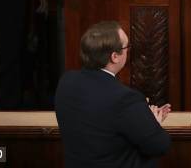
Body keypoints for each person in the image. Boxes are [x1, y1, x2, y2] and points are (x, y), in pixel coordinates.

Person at [55, 21, 171, 168]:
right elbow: (160, 146)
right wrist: (152, 122)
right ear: (115, 56)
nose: (128, 50)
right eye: (127, 47)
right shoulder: (126, 99)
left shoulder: (66, 82)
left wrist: (140, 116)